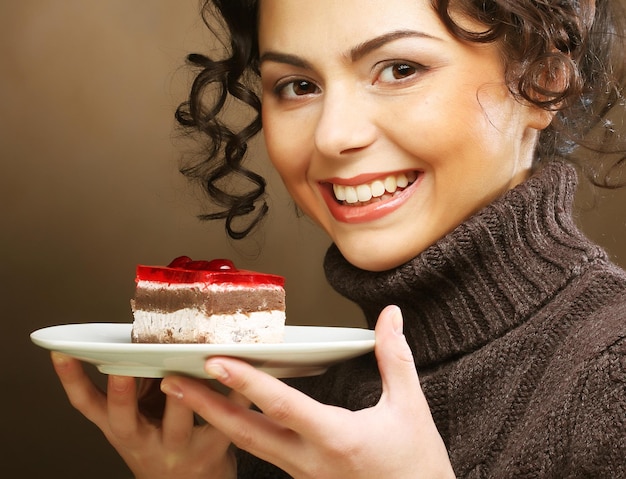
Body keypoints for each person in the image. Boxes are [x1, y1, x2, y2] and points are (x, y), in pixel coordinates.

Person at [51, 0, 626, 477]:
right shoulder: (292, 407)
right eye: (298, 85)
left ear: (544, 80)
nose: (333, 135)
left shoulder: (611, 376)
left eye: (399, 70)